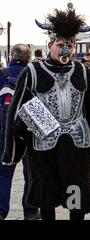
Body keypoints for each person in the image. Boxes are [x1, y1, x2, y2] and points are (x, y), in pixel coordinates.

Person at [2, 6, 90, 220]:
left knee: (76, 191)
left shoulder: (81, 70)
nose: (66, 50)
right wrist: (17, 139)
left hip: (75, 142)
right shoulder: (33, 72)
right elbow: (18, 108)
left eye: (70, 45)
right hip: (42, 144)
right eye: (61, 45)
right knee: (46, 192)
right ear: (50, 44)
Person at [0, 44, 40, 220]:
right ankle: (30, 211)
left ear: (11, 55)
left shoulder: (1, 75)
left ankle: (1, 211)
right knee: (30, 173)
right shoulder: (35, 76)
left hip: (4, 132)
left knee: (3, 173)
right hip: (29, 131)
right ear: (29, 58)